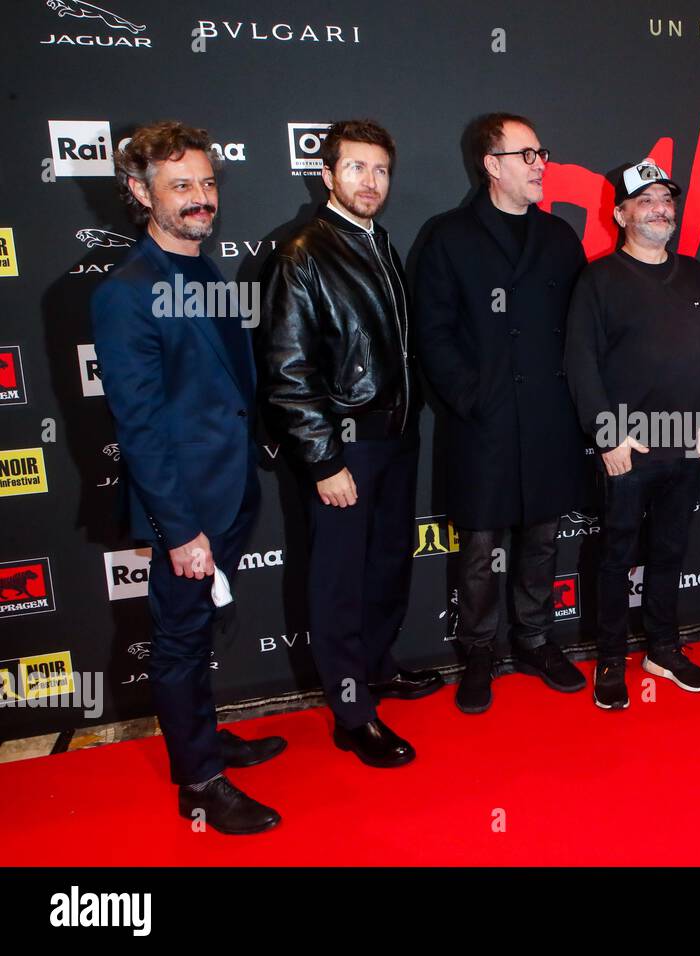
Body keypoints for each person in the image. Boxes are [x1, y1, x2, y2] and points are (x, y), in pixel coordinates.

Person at [92, 121, 283, 835]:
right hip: (187, 511)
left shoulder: (205, 270)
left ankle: (207, 740)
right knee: (176, 640)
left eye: (206, 184)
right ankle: (198, 781)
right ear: (141, 193)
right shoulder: (126, 293)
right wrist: (179, 530)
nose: (201, 199)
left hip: (231, 490)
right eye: (181, 186)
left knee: (199, 630)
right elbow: (140, 428)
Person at [261, 119, 440, 769]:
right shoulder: (303, 252)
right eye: (357, 168)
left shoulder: (379, 243)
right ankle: (351, 712)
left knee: (387, 564)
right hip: (345, 448)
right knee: (338, 582)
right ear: (328, 174)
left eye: (382, 170)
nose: (372, 182)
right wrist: (324, 457)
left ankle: (376, 668)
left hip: (395, 439)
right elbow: (287, 371)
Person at [414, 113, 588, 714]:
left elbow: (581, 331)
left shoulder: (561, 238)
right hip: (482, 424)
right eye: (527, 155)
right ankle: (479, 650)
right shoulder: (449, 237)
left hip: (546, 418)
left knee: (542, 539)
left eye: (543, 152)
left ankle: (536, 639)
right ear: (492, 165)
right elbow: (432, 333)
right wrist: (472, 398)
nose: (541, 164)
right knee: (480, 548)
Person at [564, 159, 700, 710]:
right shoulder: (599, 279)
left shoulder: (695, 274)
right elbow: (580, 361)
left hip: (686, 439)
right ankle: (610, 655)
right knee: (615, 554)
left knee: (671, 549)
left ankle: (663, 646)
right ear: (621, 213)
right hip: (629, 443)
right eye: (647, 200)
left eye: (667, 199)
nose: (661, 208)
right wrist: (608, 436)